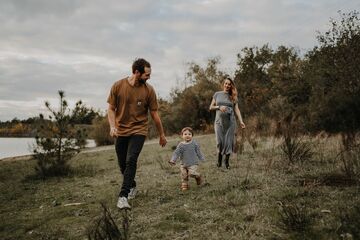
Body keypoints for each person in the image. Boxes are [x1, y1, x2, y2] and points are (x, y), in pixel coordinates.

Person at [107, 58, 167, 209]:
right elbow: (110, 109)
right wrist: (113, 126)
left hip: (139, 130)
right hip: (121, 130)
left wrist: (162, 134)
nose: (149, 77)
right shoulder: (118, 86)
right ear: (136, 72)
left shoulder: (149, 90)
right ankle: (132, 184)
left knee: (131, 160)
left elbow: (154, 114)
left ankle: (123, 196)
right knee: (122, 164)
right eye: (147, 74)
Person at [209, 77, 245, 169]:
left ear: (231, 85)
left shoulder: (233, 96)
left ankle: (227, 163)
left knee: (229, 142)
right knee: (219, 142)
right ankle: (219, 160)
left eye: (229, 84)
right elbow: (211, 107)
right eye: (226, 83)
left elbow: (237, 109)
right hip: (219, 122)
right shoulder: (217, 94)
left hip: (230, 122)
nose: (227, 85)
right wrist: (219, 107)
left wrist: (241, 121)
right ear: (223, 84)